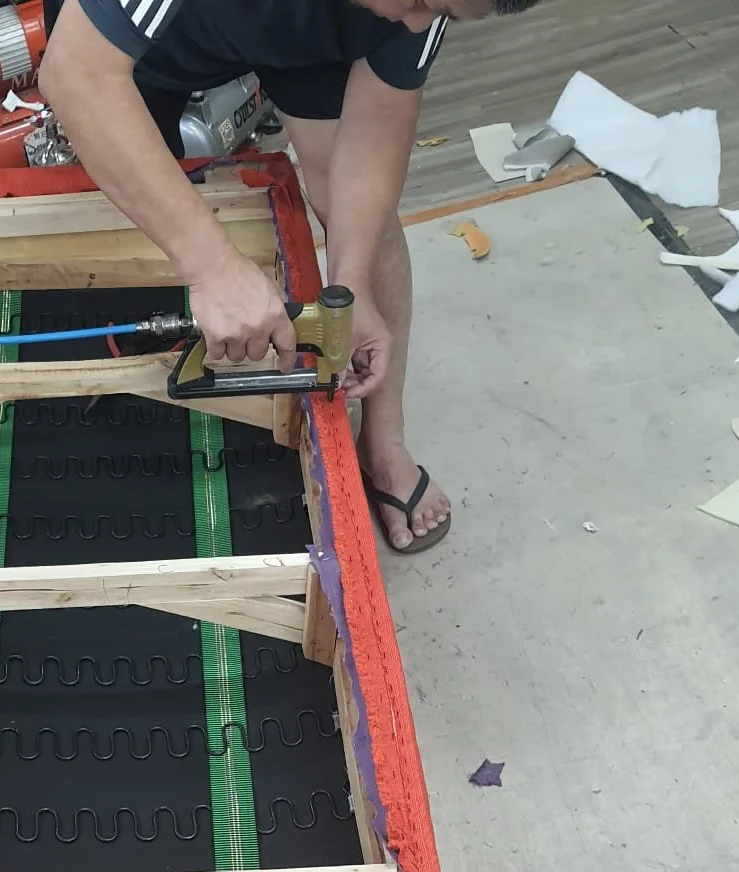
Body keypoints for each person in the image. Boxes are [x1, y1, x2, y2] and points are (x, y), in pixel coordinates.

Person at [38, 0, 541, 553]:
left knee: (360, 218)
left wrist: (349, 293)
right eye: (424, 1)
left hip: (308, 24)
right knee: (131, 199)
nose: (421, 23)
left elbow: (374, 133)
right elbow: (75, 73)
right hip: (153, 44)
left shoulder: (415, 10)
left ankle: (385, 438)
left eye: (446, 13)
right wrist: (213, 265)